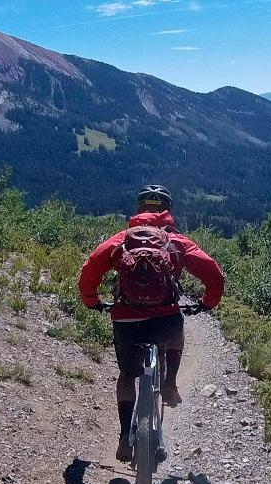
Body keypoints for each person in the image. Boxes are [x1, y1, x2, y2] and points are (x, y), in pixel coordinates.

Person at [77, 185, 225, 462]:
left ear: (138, 210)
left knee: (126, 376)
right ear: (167, 210)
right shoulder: (176, 241)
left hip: (127, 320)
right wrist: (207, 303)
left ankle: (124, 437)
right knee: (177, 330)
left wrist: (92, 301)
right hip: (165, 319)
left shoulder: (121, 241)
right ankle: (169, 383)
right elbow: (214, 274)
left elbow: (89, 272)